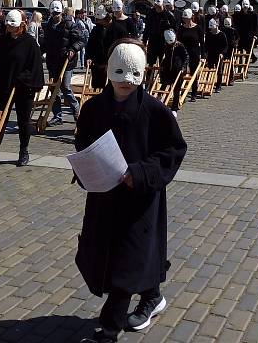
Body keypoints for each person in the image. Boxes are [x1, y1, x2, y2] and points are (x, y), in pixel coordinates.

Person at [75, 40, 186, 343]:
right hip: (104, 197)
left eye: (133, 73)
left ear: (144, 72)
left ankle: (109, 330)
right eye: (119, 72)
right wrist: (86, 168)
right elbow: (83, 142)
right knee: (116, 257)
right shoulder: (94, 108)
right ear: (108, 71)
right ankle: (153, 295)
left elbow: (173, 150)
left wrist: (138, 173)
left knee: (127, 263)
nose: (125, 81)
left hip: (139, 202)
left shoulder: (155, 111)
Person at [0, 9, 45, 168]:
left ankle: (23, 150)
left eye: (13, 26)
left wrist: (24, 80)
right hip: (4, 86)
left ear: (21, 25)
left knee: (23, 121)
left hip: (23, 88)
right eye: (8, 26)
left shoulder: (30, 43)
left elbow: (35, 68)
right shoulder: (0, 41)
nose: (9, 29)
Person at [43, 0, 84, 126]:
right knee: (53, 89)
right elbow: (45, 44)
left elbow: (81, 40)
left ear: (61, 13)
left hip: (67, 62)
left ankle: (76, 108)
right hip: (53, 61)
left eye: (57, 14)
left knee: (65, 87)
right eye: (53, 14)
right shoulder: (48, 26)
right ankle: (57, 115)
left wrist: (73, 49)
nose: (55, 16)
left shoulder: (70, 25)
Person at [176, 8, 204, 102]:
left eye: (186, 18)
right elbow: (178, 42)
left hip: (194, 53)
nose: (185, 20)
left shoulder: (198, 28)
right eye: (184, 18)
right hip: (183, 53)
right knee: (181, 73)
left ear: (191, 17)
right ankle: (178, 92)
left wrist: (203, 55)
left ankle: (194, 93)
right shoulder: (181, 28)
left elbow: (202, 42)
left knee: (193, 74)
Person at [158, 29, 188, 113]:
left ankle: (174, 107)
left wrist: (183, 67)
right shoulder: (166, 46)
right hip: (167, 70)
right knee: (163, 85)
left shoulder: (180, 46)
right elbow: (165, 57)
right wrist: (162, 65)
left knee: (176, 89)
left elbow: (186, 57)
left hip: (177, 70)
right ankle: (159, 101)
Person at [143, 0, 177, 66]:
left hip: (164, 42)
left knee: (163, 63)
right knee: (150, 63)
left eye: (158, 5)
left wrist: (173, 42)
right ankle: (149, 76)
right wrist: (144, 41)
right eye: (155, 5)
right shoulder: (150, 13)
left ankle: (163, 76)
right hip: (152, 41)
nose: (156, 7)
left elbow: (174, 30)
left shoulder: (168, 15)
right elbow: (147, 28)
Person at [86, 5, 111, 89]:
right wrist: (88, 57)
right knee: (96, 85)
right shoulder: (96, 30)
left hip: (108, 62)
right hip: (96, 62)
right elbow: (90, 45)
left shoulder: (112, 29)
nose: (98, 21)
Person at [205, 18, 228, 93]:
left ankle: (218, 86)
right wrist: (205, 53)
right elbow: (206, 45)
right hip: (211, 54)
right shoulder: (208, 34)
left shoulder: (221, 34)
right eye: (210, 28)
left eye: (212, 28)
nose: (211, 30)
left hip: (219, 55)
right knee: (210, 69)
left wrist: (222, 53)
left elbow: (225, 46)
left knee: (219, 71)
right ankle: (209, 84)